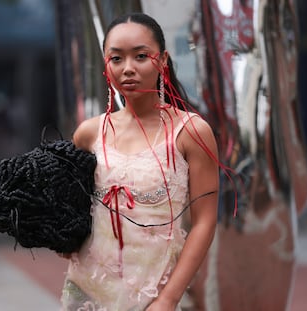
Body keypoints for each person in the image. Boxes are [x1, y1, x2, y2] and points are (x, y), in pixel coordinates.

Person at [60, 12, 219, 311]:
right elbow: (72, 211)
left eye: (141, 56)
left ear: (162, 60)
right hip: (87, 292)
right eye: (116, 58)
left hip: (154, 294)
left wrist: (168, 298)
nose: (128, 69)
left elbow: (205, 221)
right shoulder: (89, 133)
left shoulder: (191, 132)